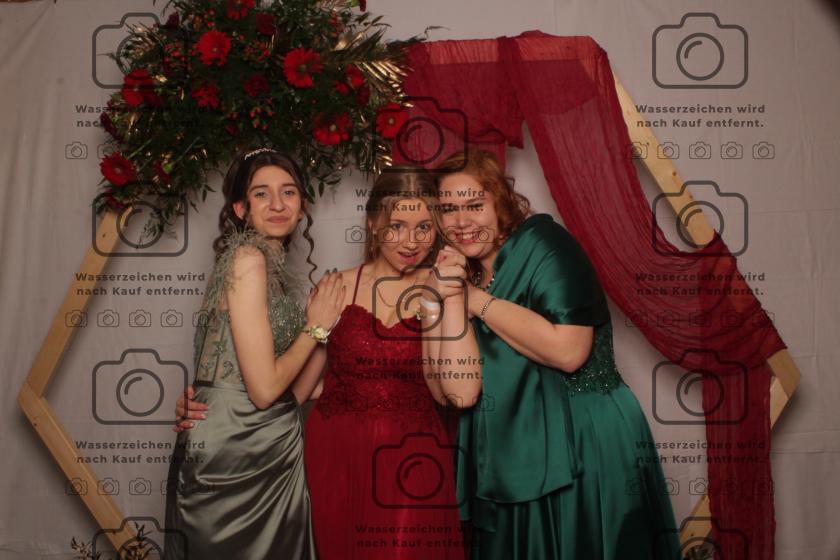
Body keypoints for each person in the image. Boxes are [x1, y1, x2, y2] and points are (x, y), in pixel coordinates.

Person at [175, 168, 470, 559]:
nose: (410, 242)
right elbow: (296, 391)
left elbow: (457, 390)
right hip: (334, 455)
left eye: (424, 228)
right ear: (373, 223)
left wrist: (441, 299)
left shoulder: (442, 284)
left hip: (412, 456)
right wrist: (216, 405)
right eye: (397, 226)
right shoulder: (335, 288)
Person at [422, 149, 681, 559]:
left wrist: (473, 301)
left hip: (583, 438)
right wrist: (436, 302)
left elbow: (569, 352)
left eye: (474, 205)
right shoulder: (464, 273)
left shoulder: (545, 245)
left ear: (500, 202)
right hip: (511, 450)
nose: (462, 221)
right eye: (448, 209)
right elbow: (451, 392)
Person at [164, 147, 345, 560]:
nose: (278, 204)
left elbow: (292, 396)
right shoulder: (247, 261)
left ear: (302, 205)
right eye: (262, 194)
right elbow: (264, 392)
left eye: (289, 192)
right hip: (233, 450)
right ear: (240, 208)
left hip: (270, 444)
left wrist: (325, 328)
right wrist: (315, 327)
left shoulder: (272, 271)